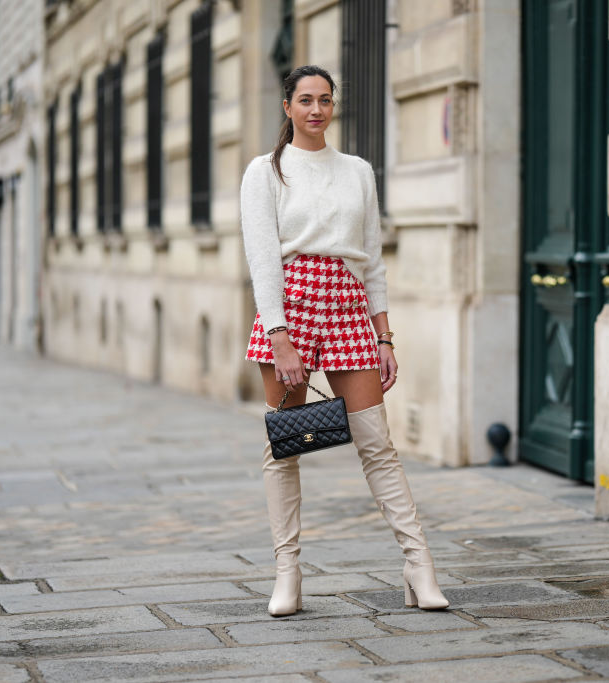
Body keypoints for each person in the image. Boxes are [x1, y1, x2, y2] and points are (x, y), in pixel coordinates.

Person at [241, 65, 449, 617]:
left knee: (376, 441)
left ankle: (418, 566)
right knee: (284, 445)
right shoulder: (266, 171)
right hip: (290, 304)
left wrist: (385, 335)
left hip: (348, 303)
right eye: (305, 100)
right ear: (286, 106)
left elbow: (373, 259)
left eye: (325, 100)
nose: (316, 110)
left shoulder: (357, 170)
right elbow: (263, 259)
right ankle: (288, 572)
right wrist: (280, 335)